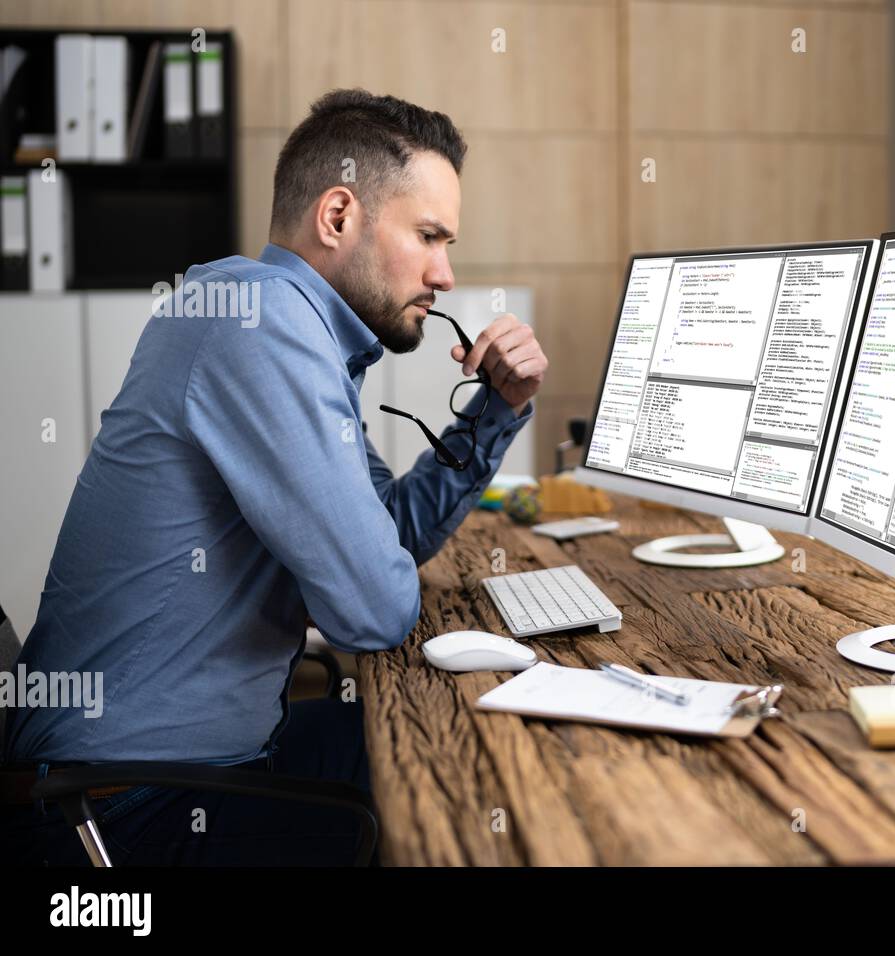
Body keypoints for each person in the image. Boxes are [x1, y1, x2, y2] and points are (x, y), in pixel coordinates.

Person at [0, 89, 547, 865]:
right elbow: (373, 610)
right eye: (429, 236)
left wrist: (496, 410)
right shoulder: (259, 327)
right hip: (122, 813)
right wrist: (369, 568)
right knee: (457, 771)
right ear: (336, 217)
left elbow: (388, 535)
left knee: (432, 732)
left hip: (143, 777)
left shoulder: (273, 321)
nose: (446, 275)